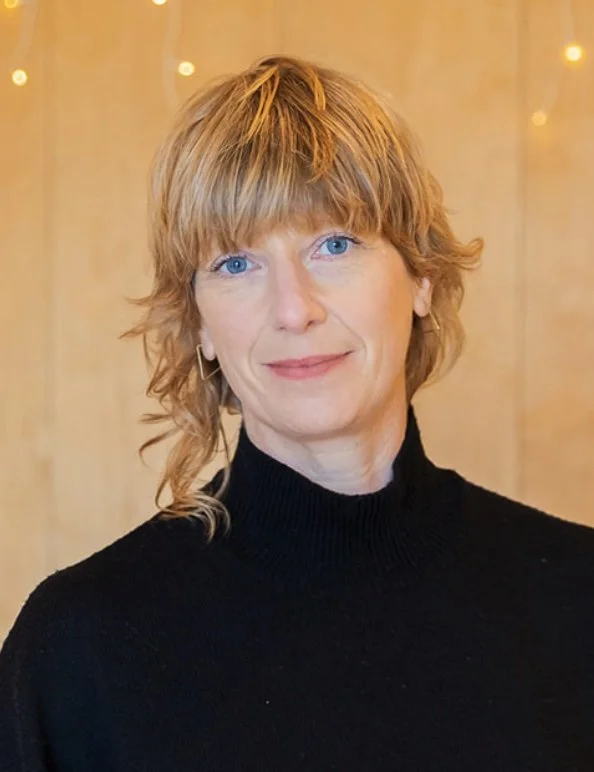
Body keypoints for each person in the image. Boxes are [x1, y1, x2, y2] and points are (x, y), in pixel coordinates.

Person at [1, 54, 593, 771]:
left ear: (421, 277)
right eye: (236, 264)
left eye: (334, 244)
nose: (293, 309)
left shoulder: (575, 597)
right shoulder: (79, 649)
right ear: (199, 323)